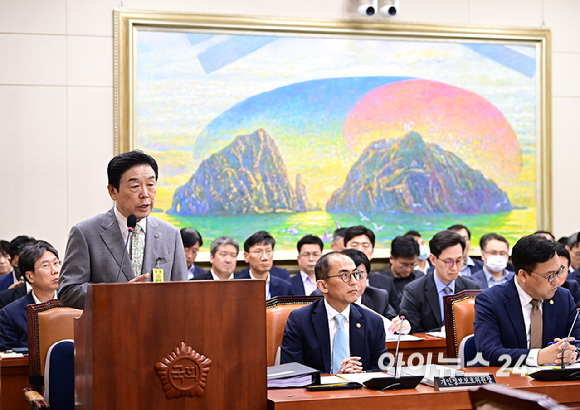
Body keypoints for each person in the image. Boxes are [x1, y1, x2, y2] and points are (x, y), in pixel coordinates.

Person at [58, 150, 188, 309]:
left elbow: (183, 293)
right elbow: (68, 292)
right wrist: (115, 295)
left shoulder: (170, 234)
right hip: (108, 330)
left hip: (158, 330)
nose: (145, 194)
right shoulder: (86, 233)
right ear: (113, 191)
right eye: (135, 186)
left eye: (150, 185)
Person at [474, 234, 580, 367]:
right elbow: (488, 352)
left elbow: (578, 340)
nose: (556, 281)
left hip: (554, 380)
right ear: (523, 275)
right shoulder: (491, 300)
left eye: (559, 272)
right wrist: (539, 356)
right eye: (550, 276)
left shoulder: (563, 297)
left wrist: (574, 353)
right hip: (507, 381)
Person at [280, 252, 388, 373]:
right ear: (323, 286)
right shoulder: (300, 320)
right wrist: (335, 378)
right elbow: (292, 371)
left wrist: (361, 375)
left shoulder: (373, 321)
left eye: (356, 274)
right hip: (318, 390)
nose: (354, 282)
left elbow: (382, 369)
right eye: (345, 276)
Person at [400, 230, 480, 333]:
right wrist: (442, 331)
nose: (455, 267)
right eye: (448, 261)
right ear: (433, 259)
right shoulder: (414, 291)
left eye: (459, 261)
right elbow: (413, 332)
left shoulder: (472, 289)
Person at [0, 241, 60, 351]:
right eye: (46, 265)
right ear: (30, 276)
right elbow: (8, 358)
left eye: (56, 263)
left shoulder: (74, 304)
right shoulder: (10, 314)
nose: (55, 271)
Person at [343, 249, 409, 329]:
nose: (354, 282)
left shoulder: (378, 297)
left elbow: (393, 324)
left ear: (367, 277)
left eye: (359, 276)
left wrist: (402, 325)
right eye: (346, 276)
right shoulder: (325, 299)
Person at [344, 225, 401, 312]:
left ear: (372, 252)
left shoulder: (385, 284)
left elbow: (395, 314)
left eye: (365, 246)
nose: (360, 250)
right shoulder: (332, 282)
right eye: (354, 245)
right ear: (344, 249)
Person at [236, 231, 293, 298]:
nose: (265, 258)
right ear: (246, 256)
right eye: (258, 252)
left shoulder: (285, 287)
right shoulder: (235, 287)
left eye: (268, 251)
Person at [381, 235, 423, 300]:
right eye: (404, 264)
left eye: (412, 264)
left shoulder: (420, 279)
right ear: (391, 259)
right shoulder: (381, 281)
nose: (408, 270)